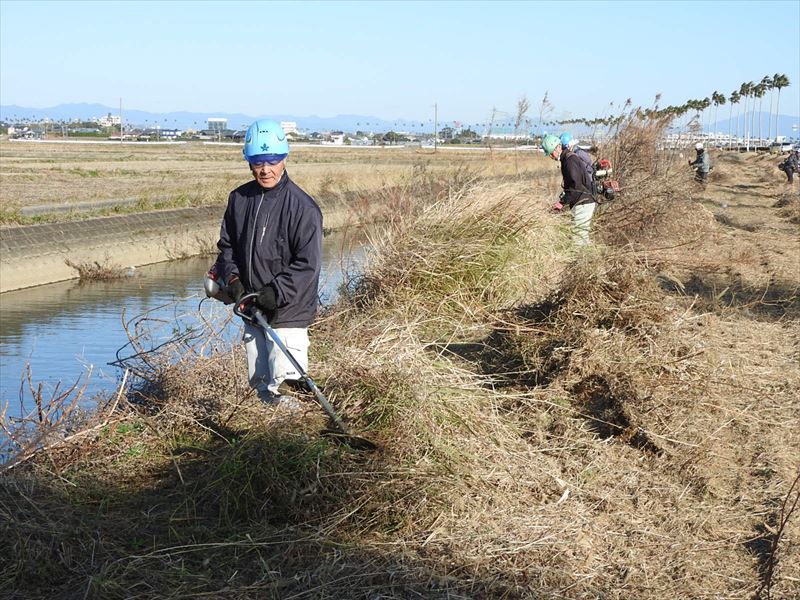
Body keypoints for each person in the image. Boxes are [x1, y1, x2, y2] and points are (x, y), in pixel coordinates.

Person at [210, 119, 323, 406]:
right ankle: (269, 442)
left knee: (286, 387)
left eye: (272, 160)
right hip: (251, 311)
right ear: (248, 161)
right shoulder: (239, 199)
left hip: (288, 314)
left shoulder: (303, 208)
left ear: (284, 158)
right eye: (258, 161)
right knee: (261, 385)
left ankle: (297, 442)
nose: (265, 169)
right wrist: (233, 281)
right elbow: (227, 248)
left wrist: (275, 293)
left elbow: (307, 266)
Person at [542, 134, 596, 246]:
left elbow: (575, 186)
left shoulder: (570, 160)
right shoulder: (567, 158)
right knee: (579, 235)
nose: (551, 156)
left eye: (551, 152)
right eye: (549, 154)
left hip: (583, 202)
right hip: (581, 201)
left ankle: (584, 261)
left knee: (579, 238)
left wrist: (562, 202)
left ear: (558, 147)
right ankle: (585, 260)